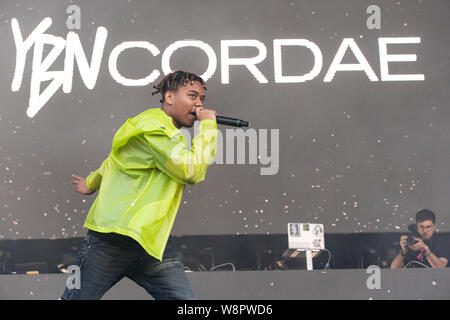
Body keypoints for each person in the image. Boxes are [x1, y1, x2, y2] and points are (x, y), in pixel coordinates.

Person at [61, 70, 218, 299]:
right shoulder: (154, 127)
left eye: (202, 99)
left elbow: (115, 161)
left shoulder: (158, 131)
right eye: (192, 96)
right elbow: (190, 171)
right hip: (112, 240)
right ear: (169, 97)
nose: (199, 104)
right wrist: (209, 127)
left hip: (152, 243)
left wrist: (92, 182)